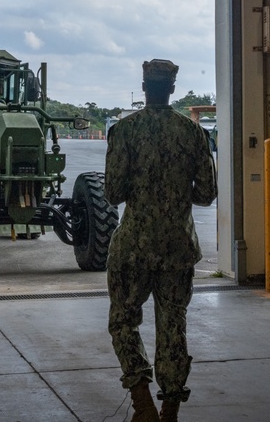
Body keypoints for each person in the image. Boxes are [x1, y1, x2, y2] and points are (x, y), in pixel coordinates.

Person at [105, 59, 217, 422]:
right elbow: (207, 194)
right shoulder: (192, 132)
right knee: (173, 325)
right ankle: (169, 409)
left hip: (134, 245)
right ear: (172, 89)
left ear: (143, 86)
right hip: (177, 246)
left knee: (123, 320)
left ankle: (142, 403)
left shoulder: (124, 130)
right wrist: (176, 194)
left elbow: (112, 192)